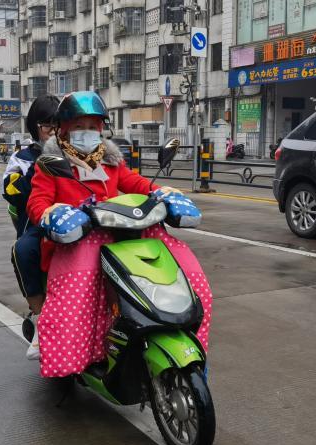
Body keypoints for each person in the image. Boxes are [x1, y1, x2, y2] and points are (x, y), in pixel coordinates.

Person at [26, 91, 212, 377]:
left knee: (184, 269)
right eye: (78, 127)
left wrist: (159, 192)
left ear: (101, 129)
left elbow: (133, 182)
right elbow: (37, 202)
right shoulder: (51, 163)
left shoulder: (111, 161)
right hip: (76, 238)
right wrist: (53, 213)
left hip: (120, 232)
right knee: (78, 289)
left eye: (92, 127)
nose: (86, 133)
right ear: (64, 128)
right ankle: (72, 354)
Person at [2, 94, 60, 359]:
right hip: (39, 222)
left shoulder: (75, 151)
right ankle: (40, 318)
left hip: (79, 218)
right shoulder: (23, 158)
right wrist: (41, 165)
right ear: (36, 126)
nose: (54, 131)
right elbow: (11, 190)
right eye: (47, 125)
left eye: (58, 124)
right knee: (22, 251)